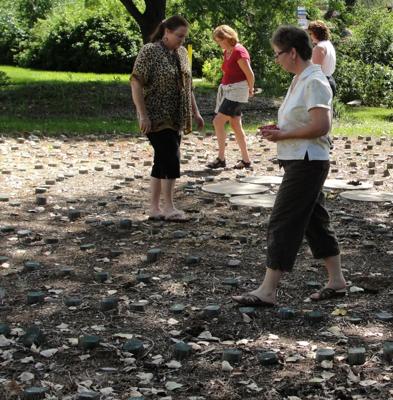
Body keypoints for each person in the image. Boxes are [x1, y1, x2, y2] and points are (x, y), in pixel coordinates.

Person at [232, 25, 346, 307]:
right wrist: (280, 128)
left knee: (283, 220)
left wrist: (283, 135)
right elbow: (303, 120)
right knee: (314, 222)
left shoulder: (314, 81)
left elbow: (321, 126)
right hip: (300, 160)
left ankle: (268, 290)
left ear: (292, 52)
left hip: (308, 162)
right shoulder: (300, 79)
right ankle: (337, 281)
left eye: (277, 54)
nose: (276, 60)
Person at [131, 16, 204, 221]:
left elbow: (187, 87)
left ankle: (155, 209)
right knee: (172, 158)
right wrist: (143, 114)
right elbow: (135, 83)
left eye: (184, 36)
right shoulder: (150, 51)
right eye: (179, 36)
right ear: (166, 32)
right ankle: (169, 208)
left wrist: (196, 112)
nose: (182, 40)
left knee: (161, 160)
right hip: (155, 116)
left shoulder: (181, 53)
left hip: (177, 117)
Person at [207, 25, 255, 170]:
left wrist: (250, 89)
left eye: (220, 40)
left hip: (237, 91)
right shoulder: (226, 52)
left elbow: (250, 74)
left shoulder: (239, 51)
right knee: (235, 125)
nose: (218, 44)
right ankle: (246, 160)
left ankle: (221, 158)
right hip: (228, 90)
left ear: (227, 37)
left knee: (218, 121)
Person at [308, 20, 337, 96]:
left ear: (315, 33)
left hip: (321, 84)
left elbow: (316, 71)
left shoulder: (320, 47)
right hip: (328, 81)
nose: (310, 36)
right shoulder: (328, 44)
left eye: (310, 33)